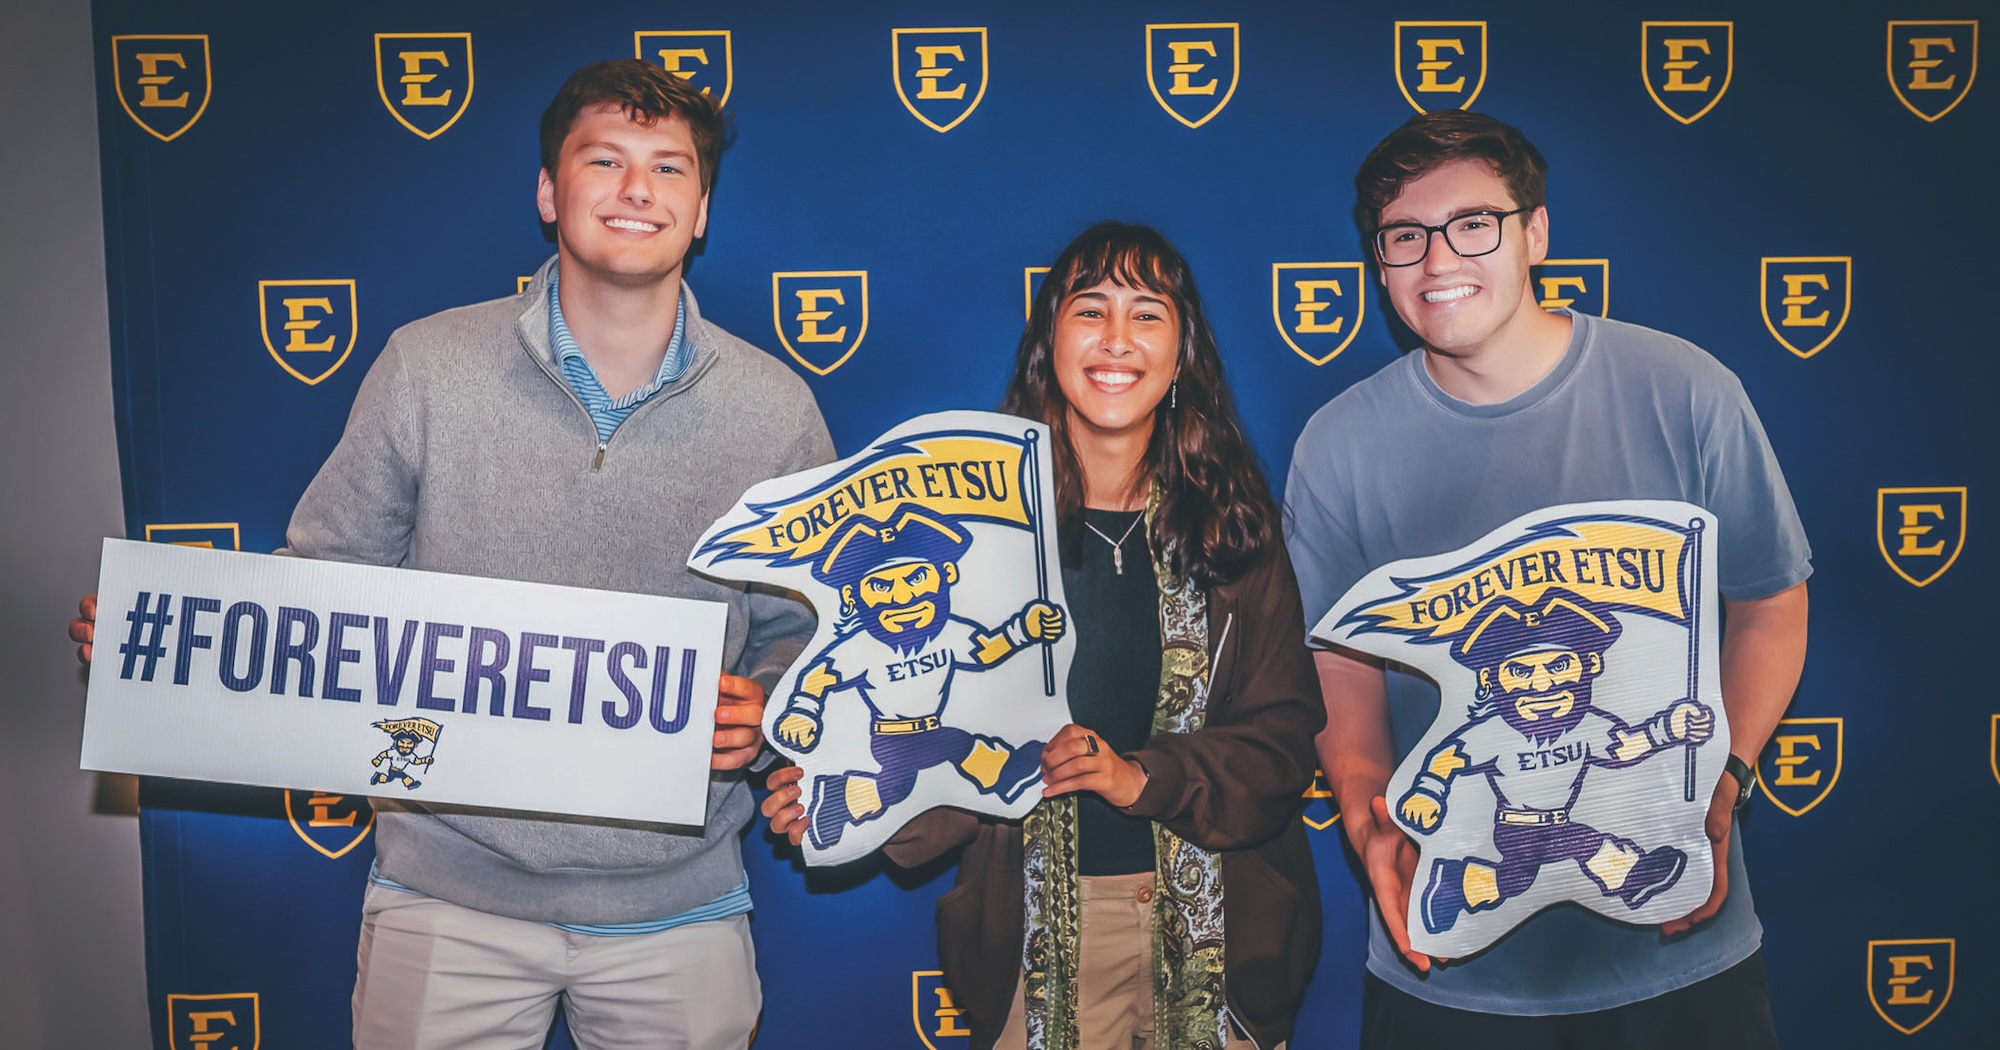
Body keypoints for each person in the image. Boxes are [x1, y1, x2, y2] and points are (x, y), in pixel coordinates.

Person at [71, 59, 834, 1049]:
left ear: (699, 214)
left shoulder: (774, 410)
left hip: (677, 906)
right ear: (549, 193)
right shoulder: (425, 366)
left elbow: (811, 628)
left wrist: (774, 705)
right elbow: (328, 581)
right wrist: (164, 649)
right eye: (603, 160)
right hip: (447, 899)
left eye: (668, 169)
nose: (636, 189)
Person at [1284, 110, 1810, 1046]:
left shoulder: (1685, 390)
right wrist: (1372, 824)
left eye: (1473, 223)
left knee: (1601, 853)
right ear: (1380, 260)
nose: (1438, 259)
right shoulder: (1338, 445)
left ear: (1536, 232)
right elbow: (1339, 666)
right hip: (1447, 973)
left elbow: (1770, 600)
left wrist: (1722, 778)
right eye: (1404, 236)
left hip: (1679, 954)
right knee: (1492, 868)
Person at [764, 221, 1325, 1050]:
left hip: (1224, 938)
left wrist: (1142, 777)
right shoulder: (982, 545)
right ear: (1049, 343)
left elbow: (1284, 745)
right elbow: (941, 760)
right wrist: (840, 797)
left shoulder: (1232, 531)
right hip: (1037, 942)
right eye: (1090, 310)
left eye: (1148, 314)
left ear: (1182, 354)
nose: (1116, 340)